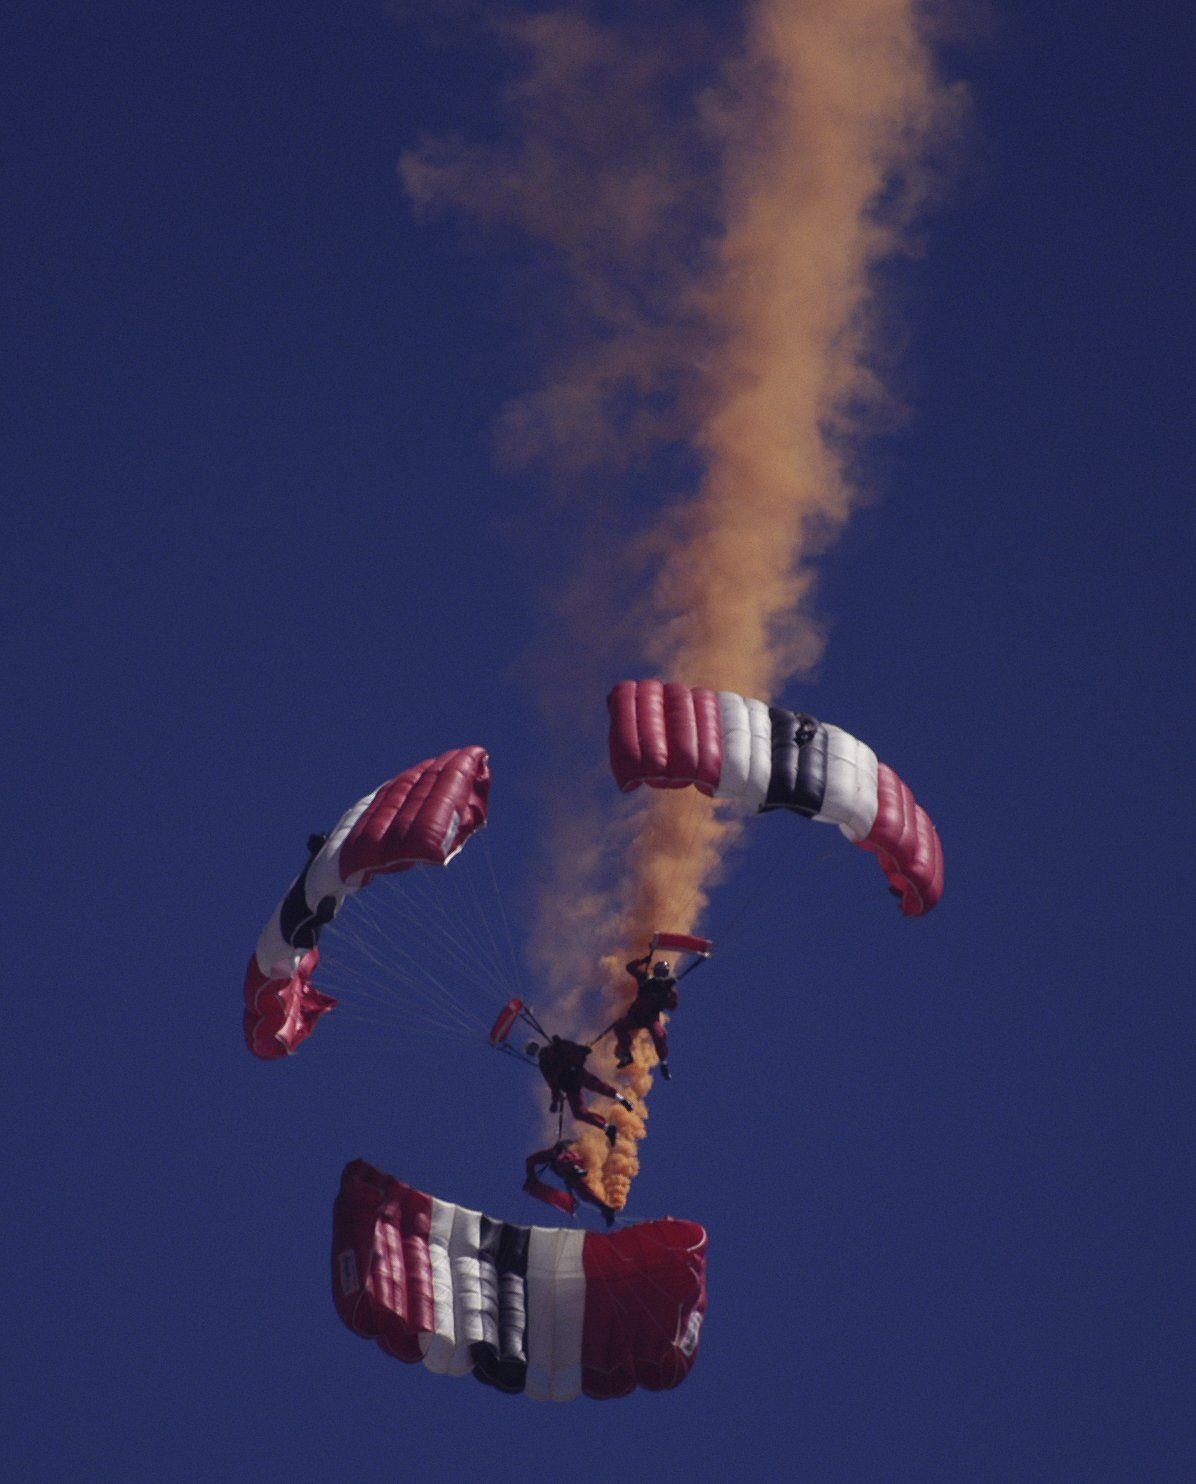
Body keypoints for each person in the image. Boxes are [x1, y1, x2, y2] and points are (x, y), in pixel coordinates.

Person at [527, 1035, 633, 1144]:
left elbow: (571, 1048)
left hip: (575, 1072)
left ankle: (622, 1100)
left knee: (599, 1086)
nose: (535, 1051)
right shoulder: (544, 1064)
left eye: (533, 1047)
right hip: (569, 1085)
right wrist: (555, 1101)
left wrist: (580, 1051)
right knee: (579, 1113)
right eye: (531, 1051)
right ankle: (607, 1128)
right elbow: (552, 1084)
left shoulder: (554, 1047)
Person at [613, 954, 679, 1078]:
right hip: (636, 1016)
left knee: (659, 1036)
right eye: (658, 972)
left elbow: (673, 1006)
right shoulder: (645, 979)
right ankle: (627, 1055)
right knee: (619, 1027)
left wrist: (668, 995)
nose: (660, 975)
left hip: (651, 1019)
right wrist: (643, 960)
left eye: (663, 973)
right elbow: (630, 967)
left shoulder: (668, 989)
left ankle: (664, 1063)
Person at [523, 1141, 616, 1227]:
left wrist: (532, 1177)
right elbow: (530, 1161)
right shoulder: (558, 1162)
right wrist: (532, 1177)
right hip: (572, 1163)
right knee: (582, 1192)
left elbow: (531, 1160)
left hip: (571, 1155)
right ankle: (606, 1209)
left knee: (569, 1170)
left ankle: (605, 1208)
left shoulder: (559, 1155)